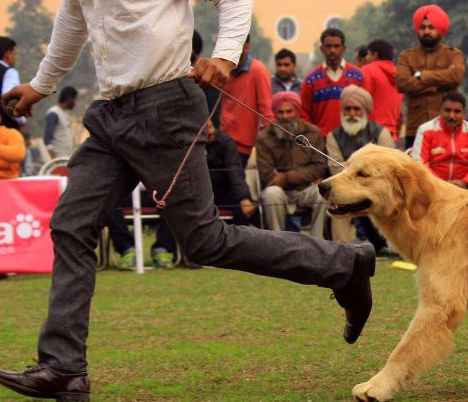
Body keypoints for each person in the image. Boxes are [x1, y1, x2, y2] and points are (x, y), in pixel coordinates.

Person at [0, 0, 376, 402]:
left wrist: (226, 54)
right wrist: (40, 84)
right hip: (111, 114)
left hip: (166, 107)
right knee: (71, 224)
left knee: (206, 241)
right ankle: (64, 367)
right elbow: (73, 17)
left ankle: (343, 265)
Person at [109, 119, 256, 269]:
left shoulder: (224, 143)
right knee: (109, 202)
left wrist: (243, 198)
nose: (210, 132)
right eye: (206, 129)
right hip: (140, 193)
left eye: (211, 127)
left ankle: (239, 253)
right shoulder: (122, 144)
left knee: (174, 199)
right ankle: (128, 250)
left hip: (217, 193)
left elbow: (234, 172)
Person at [257, 91, 333, 238]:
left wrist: (285, 177)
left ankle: (318, 243)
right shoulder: (264, 137)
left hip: (306, 190)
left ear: (297, 111)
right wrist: (301, 175)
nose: (285, 116)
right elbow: (266, 174)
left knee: (323, 193)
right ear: (275, 113)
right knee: (271, 194)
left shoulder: (312, 132)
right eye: (281, 112)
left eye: (289, 111)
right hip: (280, 192)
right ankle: (276, 244)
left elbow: (318, 169)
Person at [326, 86, 395, 246]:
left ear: (365, 111)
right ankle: (341, 247)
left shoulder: (381, 133)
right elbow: (335, 168)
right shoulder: (333, 136)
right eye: (348, 109)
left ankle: (390, 244)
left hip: (375, 190)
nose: (351, 113)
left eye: (356, 109)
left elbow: (389, 168)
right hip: (347, 189)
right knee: (336, 200)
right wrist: (365, 171)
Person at [397, 4, 465, 150]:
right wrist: (438, 84)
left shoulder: (453, 54)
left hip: (447, 125)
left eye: (431, 27)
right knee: (415, 171)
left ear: (440, 29)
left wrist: (422, 76)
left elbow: (456, 77)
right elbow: (402, 83)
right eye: (422, 27)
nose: (426, 31)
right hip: (415, 127)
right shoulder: (406, 56)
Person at [411, 91, 468, 190]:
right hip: (433, 186)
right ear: (440, 110)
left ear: (464, 113)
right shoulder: (425, 130)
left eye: (457, 111)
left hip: (465, 187)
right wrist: (440, 183)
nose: (452, 116)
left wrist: (465, 182)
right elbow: (419, 163)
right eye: (447, 110)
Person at [219, 34, 273, 166]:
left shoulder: (258, 70)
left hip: (245, 146)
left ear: (246, 46)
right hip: (223, 141)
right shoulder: (224, 70)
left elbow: (266, 113)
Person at [301, 29, 365, 137]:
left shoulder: (358, 77)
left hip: (352, 140)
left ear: (344, 48)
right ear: (322, 49)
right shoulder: (311, 80)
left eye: (336, 46)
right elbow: (304, 114)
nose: (332, 50)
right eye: (328, 46)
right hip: (321, 142)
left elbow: (366, 110)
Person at [360, 39, 403, 143]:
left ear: (375, 55)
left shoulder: (368, 70)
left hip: (371, 134)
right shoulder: (399, 75)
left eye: (368, 54)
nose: (365, 58)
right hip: (392, 135)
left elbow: (361, 101)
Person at [44, 86, 78, 159]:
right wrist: (54, 159)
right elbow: (47, 138)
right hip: (58, 159)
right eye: (74, 99)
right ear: (69, 98)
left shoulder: (65, 113)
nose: (75, 102)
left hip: (67, 157)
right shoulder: (54, 113)